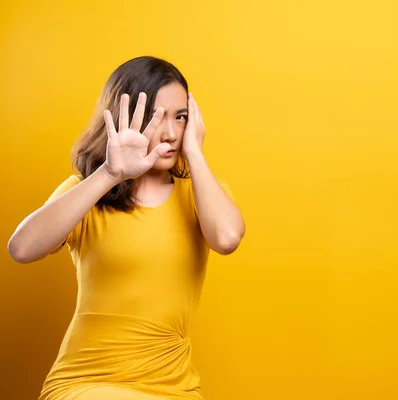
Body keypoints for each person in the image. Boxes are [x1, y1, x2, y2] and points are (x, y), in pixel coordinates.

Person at [7, 56, 246, 399]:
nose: (170, 133)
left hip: (175, 389)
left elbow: (226, 238)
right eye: (155, 116)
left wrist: (194, 152)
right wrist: (110, 174)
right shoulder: (88, 192)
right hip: (88, 382)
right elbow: (21, 248)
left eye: (180, 117)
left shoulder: (201, 195)